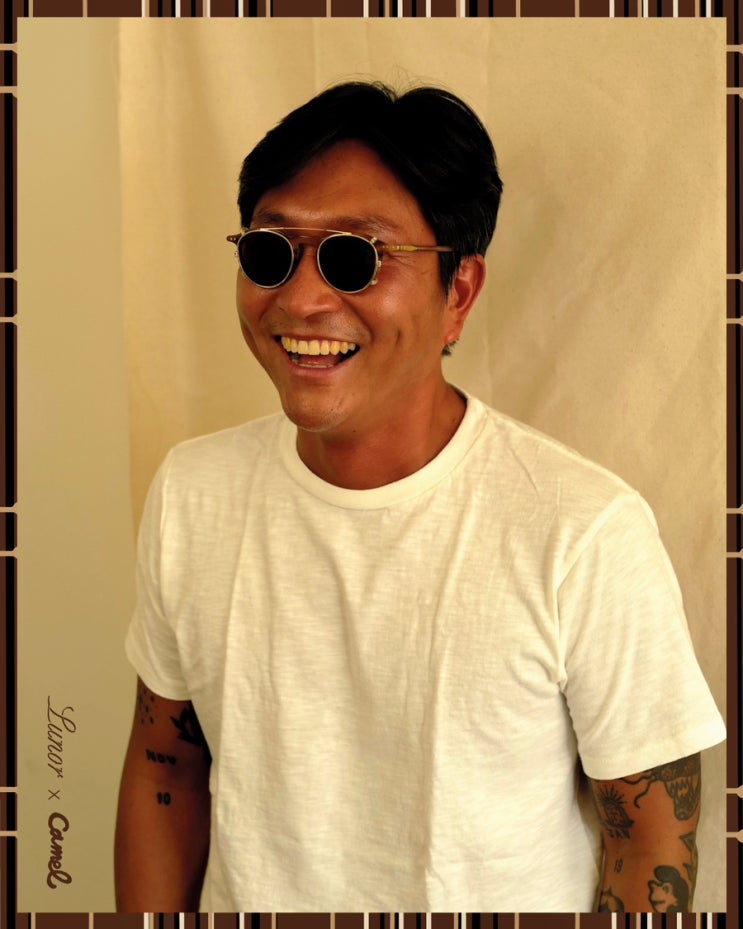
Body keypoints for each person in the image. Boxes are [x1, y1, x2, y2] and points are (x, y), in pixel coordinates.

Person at [114, 81, 725, 913]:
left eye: (354, 257)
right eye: (269, 251)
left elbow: (650, 843)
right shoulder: (194, 492)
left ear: (458, 291)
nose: (300, 299)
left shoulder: (581, 532)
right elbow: (168, 769)